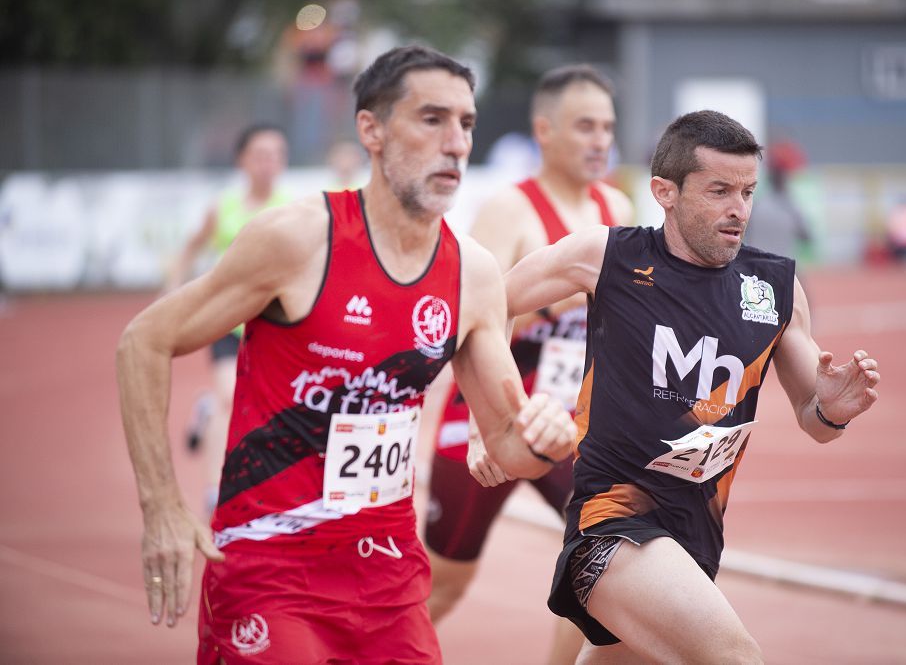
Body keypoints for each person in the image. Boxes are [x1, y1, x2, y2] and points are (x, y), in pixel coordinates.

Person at [116, 45, 576, 664]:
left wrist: (550, 432)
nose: (457, 142)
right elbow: (143, 340)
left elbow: (509, 447)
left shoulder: (473, 274)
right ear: (372, 130)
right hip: (269, 565)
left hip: (387, 577)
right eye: (432, 119)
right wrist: (164, 507)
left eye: (466, 123)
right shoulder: (297, 240)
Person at [487, 110, 881, 663]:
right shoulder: (607, 256)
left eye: (747, 191)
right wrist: (497, 421)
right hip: (612, 524)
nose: (738, 209)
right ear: (664, 191)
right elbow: (487, 305)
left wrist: (833, 409)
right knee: (736, 658)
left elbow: (815, 420)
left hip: (696, 537)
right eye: (719, 190)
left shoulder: (775, 287)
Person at [422, 64, 634, 663]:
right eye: (585, 126)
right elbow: (470, 322)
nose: (600, 141)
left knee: (614, 562)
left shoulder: (614, 205)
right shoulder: (509, 211)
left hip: (569, 430)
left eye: (608, 128)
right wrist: (488, 429)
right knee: (445, 583)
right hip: (492, 423)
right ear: (544, 130)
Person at [166, 123, 291, 515]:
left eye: (275, 156)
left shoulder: (294, 209)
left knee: (266, 409)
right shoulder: (223, 208)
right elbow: (189, 248)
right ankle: (212, 492)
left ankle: (207, 412)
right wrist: (172, 289)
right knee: (227, 398)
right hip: (229, 323)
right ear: (243, 160)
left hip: (274, 327)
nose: (267, 164)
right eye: (260, 155)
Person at [743, 140, 811, 261]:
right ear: (785, 180)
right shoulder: (791, 207)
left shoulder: (756, 205)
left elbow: (743, 232)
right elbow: (806, 237)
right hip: (782, 266)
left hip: (756, 265)